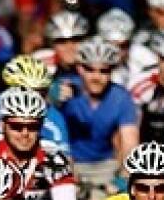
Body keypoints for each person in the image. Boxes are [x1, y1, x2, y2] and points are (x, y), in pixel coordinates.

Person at [60, 37, 139, 190]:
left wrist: (123, 177)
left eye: (104, 71)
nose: (96, 77)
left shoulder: (121, 97)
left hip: (106, 167)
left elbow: (130, 142)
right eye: (89, 69)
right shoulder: (65, 91)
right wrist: (51, 99)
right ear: (79, 68)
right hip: (70, 164)